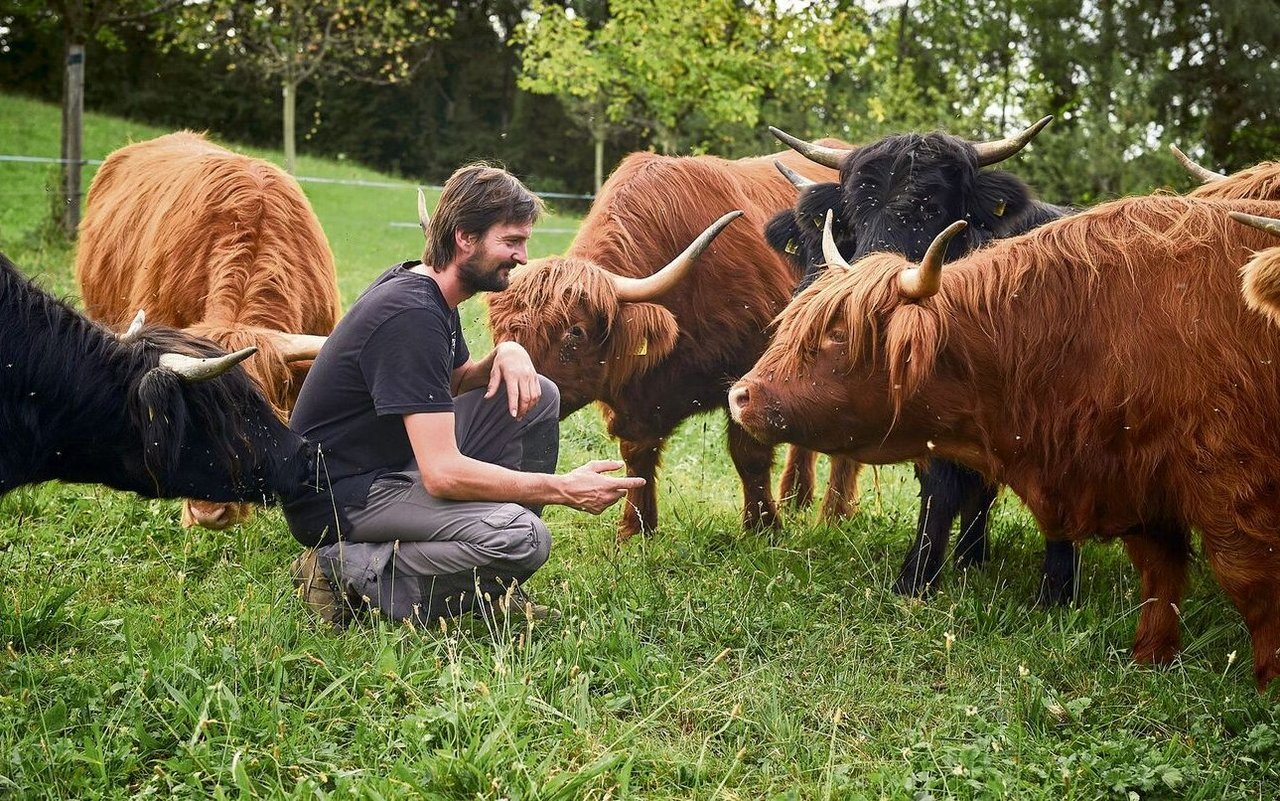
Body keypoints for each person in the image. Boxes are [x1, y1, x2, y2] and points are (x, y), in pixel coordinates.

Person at [283, 163, 643, 629]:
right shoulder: (410, 315)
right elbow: (443, 475)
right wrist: (562, 488)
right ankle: (340, 573)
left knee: (541, 396)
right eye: (511, 241)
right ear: (464, 238)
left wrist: (506, 353)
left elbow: (448, 384)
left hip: (387, 464)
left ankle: (489, 582)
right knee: (523, 538)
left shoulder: (429, 291)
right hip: (340, 496)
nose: (521, 256)